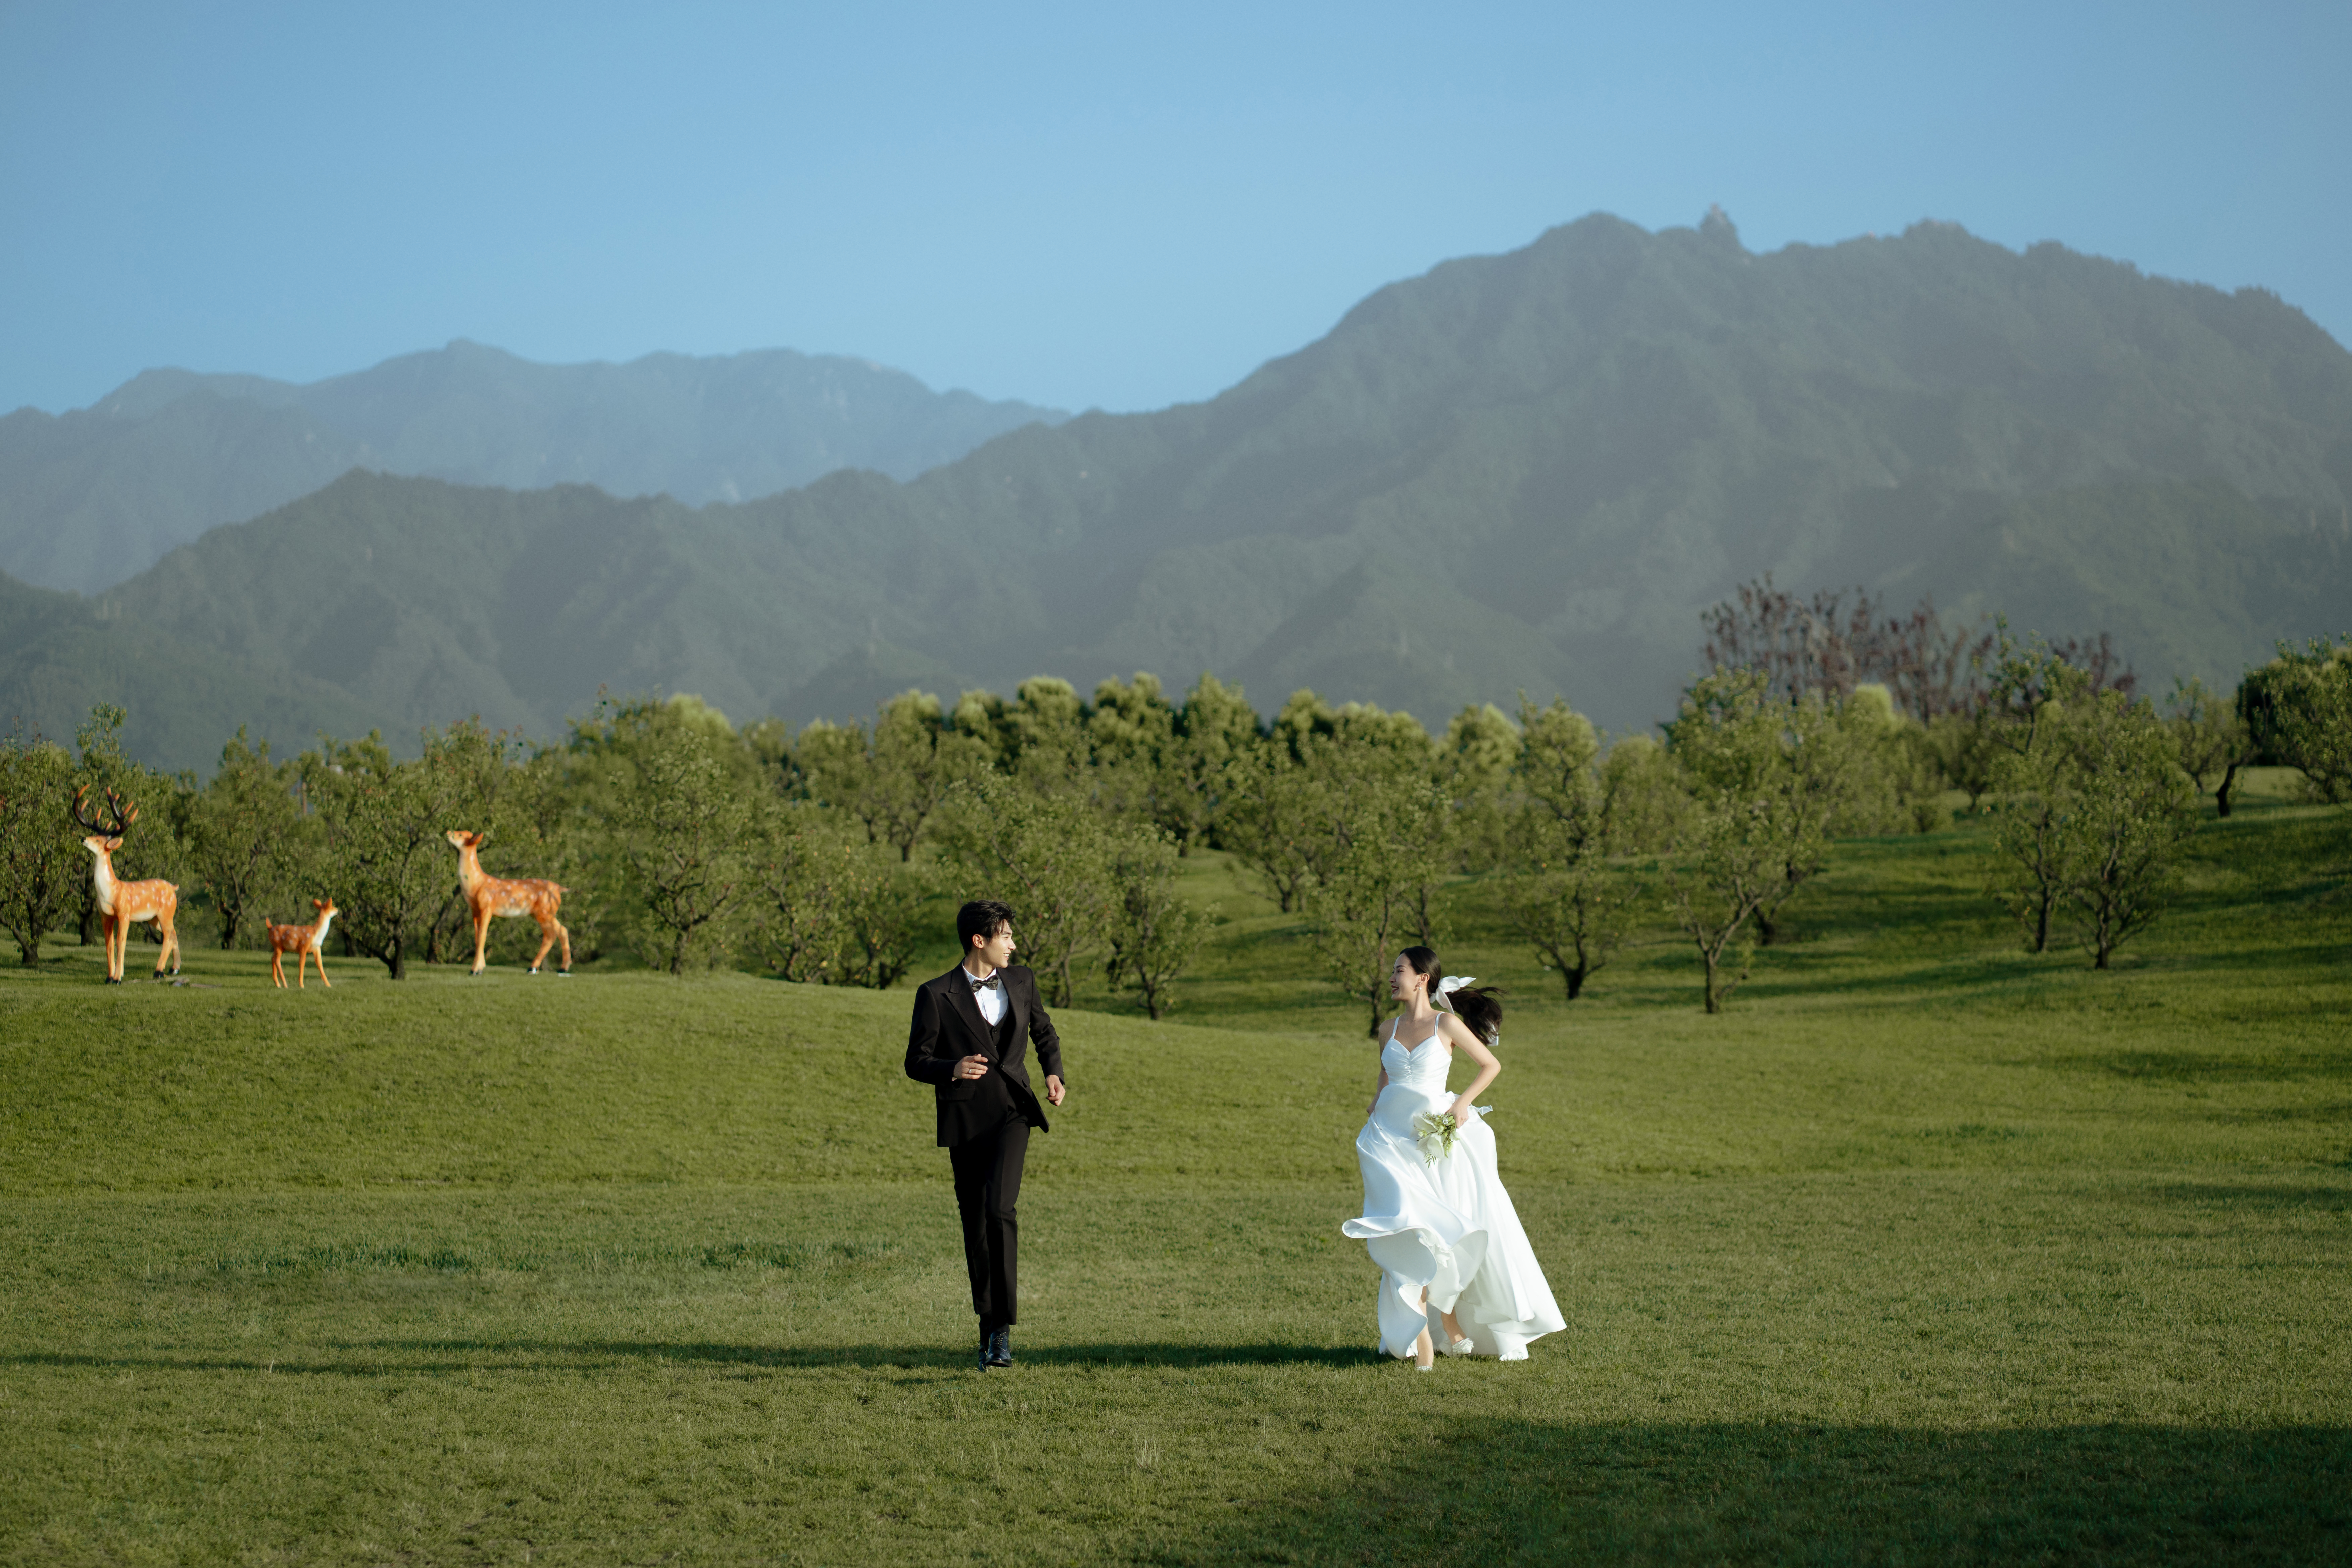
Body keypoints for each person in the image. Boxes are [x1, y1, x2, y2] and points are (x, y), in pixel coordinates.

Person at [1342, 946, 1565, 1369]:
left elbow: (1490, 1064)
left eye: (1399, 971)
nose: (1392, 978)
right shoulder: (1386, 1028)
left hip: (1435, 1144)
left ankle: (1447, 1327)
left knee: (1443, 1232)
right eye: (1392, 971)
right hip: (1395, 1145)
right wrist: (1376, 1100)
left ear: (1422, 978)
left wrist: (1462, 1104)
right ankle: (1423, 1332)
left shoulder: (1446, 1023)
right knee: (1409, 1230)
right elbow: (1388, 1071)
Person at [904, 899, 1066, 1371]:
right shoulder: (936, 994)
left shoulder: (1022, 980)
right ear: (980, 941)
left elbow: (1045, 1032)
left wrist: (1053, 1072)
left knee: (1000, 1209)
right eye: (1007, 936)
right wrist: (951, 1068)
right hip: (965, 1122)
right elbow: (916, 1061)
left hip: (1013, 1115)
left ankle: (1002, 1331)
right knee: (976, 1227)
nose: (1014, 945)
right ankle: (987, 1324)